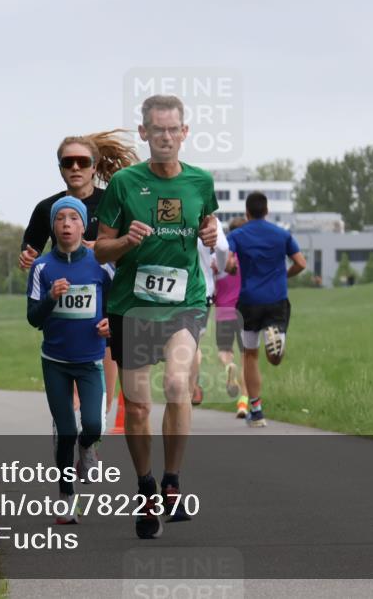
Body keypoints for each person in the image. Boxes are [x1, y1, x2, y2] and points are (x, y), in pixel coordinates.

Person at [94, 94, 218, 539]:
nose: (166, 137)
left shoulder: (202, 182)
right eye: (157, 130)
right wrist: (126, 241)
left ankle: (172, 481)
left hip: (185, 302)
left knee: (179, 384)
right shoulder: (126, 184)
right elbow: (100, 246)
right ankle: (145, 485)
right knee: (140, 404)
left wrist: (211, 231)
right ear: (144, 133)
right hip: (132, 305)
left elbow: (208, 230)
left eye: (173, 130)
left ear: (184, 133)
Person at [20, 130, 137, 415]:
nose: (75, 168)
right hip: (64, 308)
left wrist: (105, 248)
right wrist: (26, 255)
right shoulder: (46, 208)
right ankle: (67, 429)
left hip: (107, 301)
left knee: (100, 385)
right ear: (60, 168)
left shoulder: (114, 201)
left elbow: (135, 247)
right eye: (67, 162)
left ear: (94, 166)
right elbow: (31, 249)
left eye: (82, 162)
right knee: (69, 392)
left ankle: (93, 434)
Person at [27, 197, 112, 524]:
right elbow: (33, 318)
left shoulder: (100, 263)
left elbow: (117, 304)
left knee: (93, 425)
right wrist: (51, 298)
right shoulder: (42, 267)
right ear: (53, 226)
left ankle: (86, 446)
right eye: (59, 218)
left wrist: (112, 325)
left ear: (83, 224)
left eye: (73, 218)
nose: (66, 223)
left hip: (91, 360)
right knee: (64, 430)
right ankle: (65, 495)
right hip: (55, 362)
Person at [226, 192, 307, 428]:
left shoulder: (238, 234)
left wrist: (231, 270)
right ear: (267, 210)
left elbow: (229, 262)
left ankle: (257, 410)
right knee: (274, 360)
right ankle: (275, 341)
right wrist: (284, 275)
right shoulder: (282, 234)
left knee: (250, 355)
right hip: (276, 300)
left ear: (247, 213)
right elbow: (301, 263)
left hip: (249, 302)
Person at [188, 225, 229, 405]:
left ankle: (186, 385)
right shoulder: (209, 218)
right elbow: (223, 247)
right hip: (202, 291)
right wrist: (219, 267)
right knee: (192, 342)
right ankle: (192, 388)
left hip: (172, 289)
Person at [214, 217, 249, 417]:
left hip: (224, 311)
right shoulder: (249, 259)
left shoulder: (222, 258)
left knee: (224, 351)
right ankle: (243, 404)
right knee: (247, 359)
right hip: (245, 310)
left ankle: (229, 366)